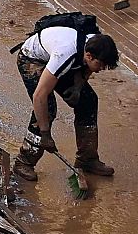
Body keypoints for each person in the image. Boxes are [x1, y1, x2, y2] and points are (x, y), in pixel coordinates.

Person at [11, 14, 119, 181]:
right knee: (48, 108)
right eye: (100, 65)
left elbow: (87, 68)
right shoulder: (65, 54)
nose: (100, 70)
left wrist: (78, 87)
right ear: (89, 56)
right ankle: (24, 161)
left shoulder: (95, 41)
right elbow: (39, 96)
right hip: (33, 59)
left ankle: (87, 159)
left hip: (63, 58)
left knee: (88, 100)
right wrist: (45, 134)